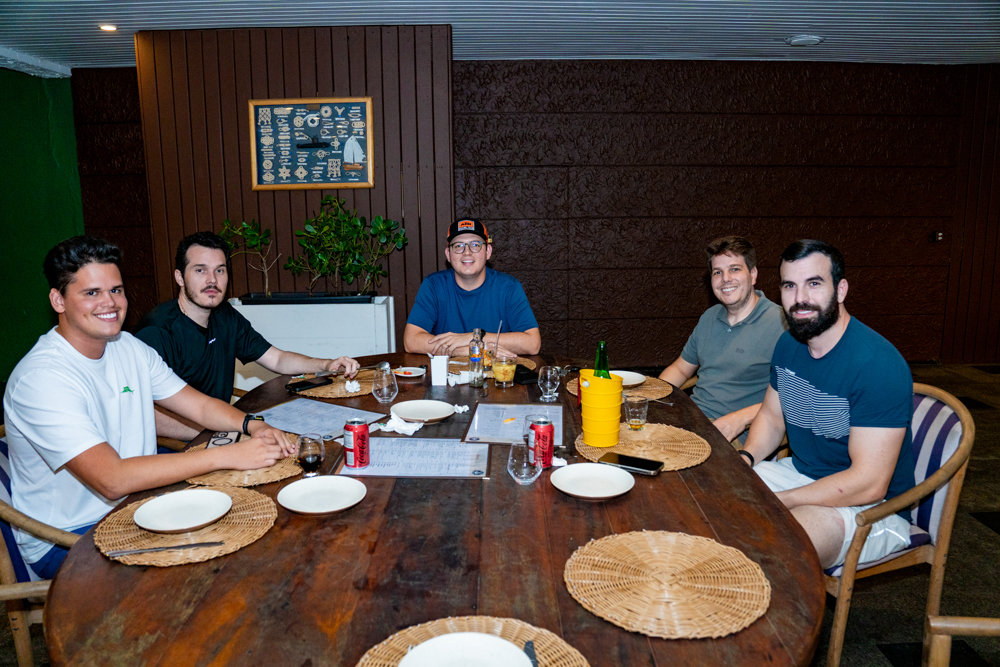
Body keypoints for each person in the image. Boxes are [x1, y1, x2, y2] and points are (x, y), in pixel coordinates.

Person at [2, 236, 296, 578]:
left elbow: (199, 406)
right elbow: (111, 479)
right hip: (69, 537)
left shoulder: (126, 346)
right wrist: (227, 455)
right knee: (222, 560)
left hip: (139, 503)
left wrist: (253, 425)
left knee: (254, 515)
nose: (109, 303)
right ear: (58, 299)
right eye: (91, 293)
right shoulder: (41, 379)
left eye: (116, 290)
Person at [740, 239, 914, 569]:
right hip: (803, 476)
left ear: (842, 289)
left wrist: (784, 501)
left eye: (814, 283)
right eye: (790, 285)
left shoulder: (878, 365)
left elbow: (869, 482)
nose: (800, 298)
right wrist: (746, 459)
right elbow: (772, 417)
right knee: (714, 498)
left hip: (873, 507)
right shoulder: (789, 344)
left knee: (781, 542)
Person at [136, 231, 359, 440]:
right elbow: (146, 416)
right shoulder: (155, 332)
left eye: (220, 270)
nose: (212, 280)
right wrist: (225, 433)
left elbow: (277, 359)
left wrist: (326, 364)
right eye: (200, 270)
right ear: (179, 277)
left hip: (223, 428)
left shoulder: (225, 316)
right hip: (179, 446)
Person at [659, 236, 786, 443]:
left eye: (734, 269)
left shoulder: (782, 324)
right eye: (718, 272)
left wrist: (740, 418)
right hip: (692, 421)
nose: (725, 278)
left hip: (736, 435)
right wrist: (651, 397)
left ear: (753, 275)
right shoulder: (709, 317)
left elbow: (795, 397)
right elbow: (681, 369)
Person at [403, 219, 541, 357]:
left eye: (475, 245)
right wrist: (470, 351)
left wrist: (473, 337)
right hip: (447, 376)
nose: (467, 252)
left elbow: (532, 343)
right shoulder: (434, 285)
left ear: (488, 252)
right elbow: (411, 341)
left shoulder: (509, 287)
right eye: (458, 246)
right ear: (448, 254)